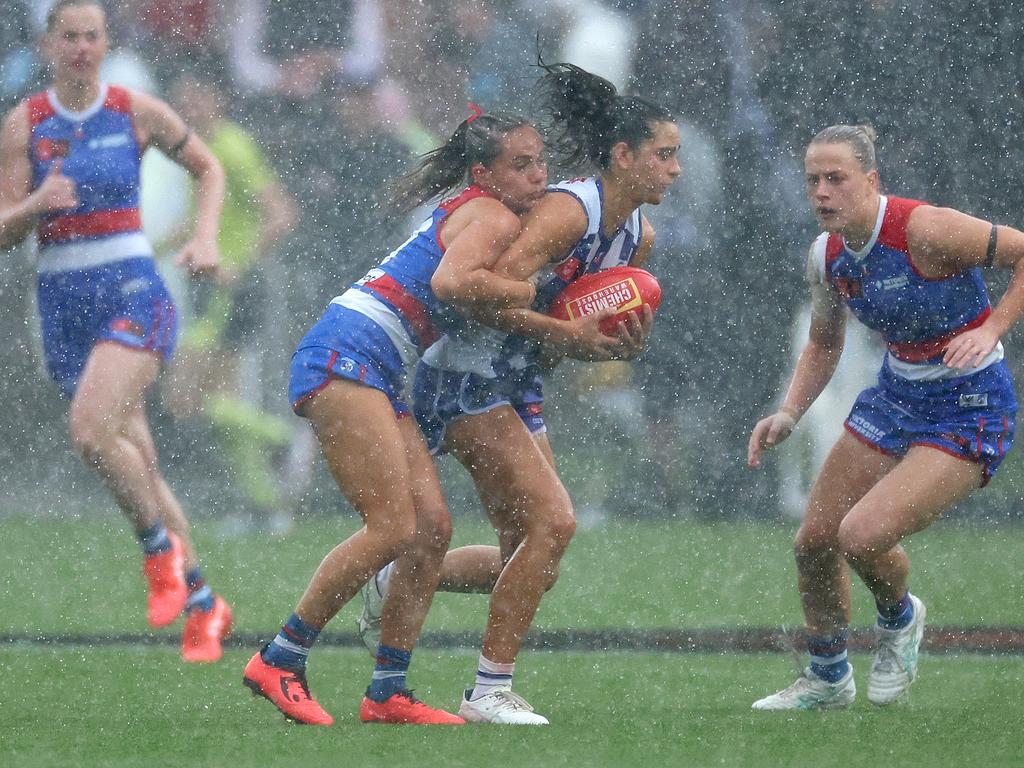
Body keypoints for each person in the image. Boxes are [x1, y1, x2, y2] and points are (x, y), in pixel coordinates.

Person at [358, 60, 681, 725]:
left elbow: (567, 329)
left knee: (532, 557)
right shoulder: (568, 212)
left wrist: (617, 342)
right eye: (663, 155)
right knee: (555, 523)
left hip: (516, 378)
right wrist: (561, 333)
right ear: (622, 157)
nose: (675, 169)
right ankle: (488, 692)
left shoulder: (636, 237)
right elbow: (484, 295)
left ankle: (399, 580)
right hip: (463, 375)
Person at [241, 107, 562, 726]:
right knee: (391, 527)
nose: (538, 177)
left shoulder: (485, 208)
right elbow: (451, 282)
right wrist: (530, 294)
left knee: (432, 528)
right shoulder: (492, 214)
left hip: (377, 364)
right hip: (348, 353)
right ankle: (281, 657)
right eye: (521, 165)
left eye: (542, 162)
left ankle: (387, 692)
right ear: (483, 173)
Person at [747, 124, 1023, 710]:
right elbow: (824, 345)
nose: (822, 192)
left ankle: (900, 622)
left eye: (836, 179)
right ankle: (827, 679)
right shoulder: (826, 256)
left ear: (871, 181)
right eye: (812, 181)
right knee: (814, 540)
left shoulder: (924, 229)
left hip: (970, 404)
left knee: (862, 536)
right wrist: (789, 413)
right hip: (896, 396)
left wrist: (992, 328)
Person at [0, 0, 230, 662]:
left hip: (132, 290)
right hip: (61, 305)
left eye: (90, 36)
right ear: (48, 45)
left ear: (106, 45)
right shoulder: (26, 123)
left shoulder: (135, 110)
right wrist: (37, 205)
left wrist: (208, 235)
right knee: (140, 465)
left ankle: (160, 558)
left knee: (90, 430)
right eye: (68, 36)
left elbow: (208, 168)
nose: (79, 47)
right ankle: (204, 602)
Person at [162, 74, 301, 534]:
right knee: (221, 407)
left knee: (185, 399)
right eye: (183, 97)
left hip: (228, 287)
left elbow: (280, 212)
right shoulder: (196, 148)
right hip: (211, 285)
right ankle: (265, 508)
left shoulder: (233, 147)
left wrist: (240, 263)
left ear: (217, 96)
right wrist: (143, 251)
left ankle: (287, 438)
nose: (189, 103)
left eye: (198, 92)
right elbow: (197, 222)